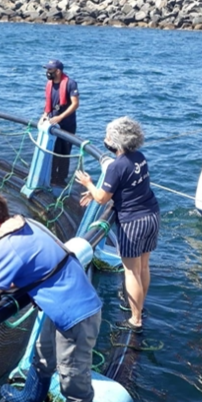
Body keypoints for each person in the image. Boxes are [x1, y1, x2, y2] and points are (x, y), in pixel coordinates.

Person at [0, 191, 101, 402]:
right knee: (42, 355)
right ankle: (30, 400)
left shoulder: (5, 246)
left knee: (75, 388)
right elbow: (30, 268)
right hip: (64, 304)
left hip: (75, 317)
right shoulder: (25, 223)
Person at [74, 117, 160, 333]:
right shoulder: (139, 157)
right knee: (143, 266)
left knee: (131, 272)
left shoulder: (116, 166)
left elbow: (103, 198)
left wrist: (88, 184)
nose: (105, 140)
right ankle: (140, 306)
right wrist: (95, 194)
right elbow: (126, 188)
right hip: (151, 214)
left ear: (117, 141)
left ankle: (135, 319)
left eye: (108, 136)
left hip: (133, 222)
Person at [41, 59, 79, 186]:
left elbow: (75, 104)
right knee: (53, 151)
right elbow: (49, 102)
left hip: (67, 125)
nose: (47, 72)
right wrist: (45, 115)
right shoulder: (49, 84)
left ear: (58, 71)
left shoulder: (71, 84)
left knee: (64, 152)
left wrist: (60, 117)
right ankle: (51, 178)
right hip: (52, 123)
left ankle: (61, 179)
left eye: (50, 70)